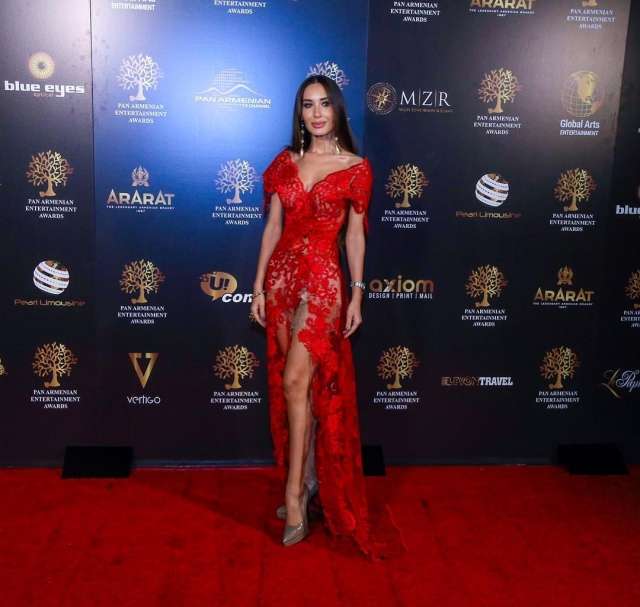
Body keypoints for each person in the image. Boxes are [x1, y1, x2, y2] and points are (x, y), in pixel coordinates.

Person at [250, 74, 376, 556]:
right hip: (283, 279)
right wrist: (258, 285)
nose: (317, 113)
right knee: (295, 389)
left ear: (338, 109)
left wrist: (357, 293)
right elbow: (273, 227)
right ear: (299, 113)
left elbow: (355, 235)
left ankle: (294, 496)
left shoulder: (356, 168)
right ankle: (305, 478)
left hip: (323, 283)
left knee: (295, 380)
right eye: (308, 105)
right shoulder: (285, 163)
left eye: (325, 103)